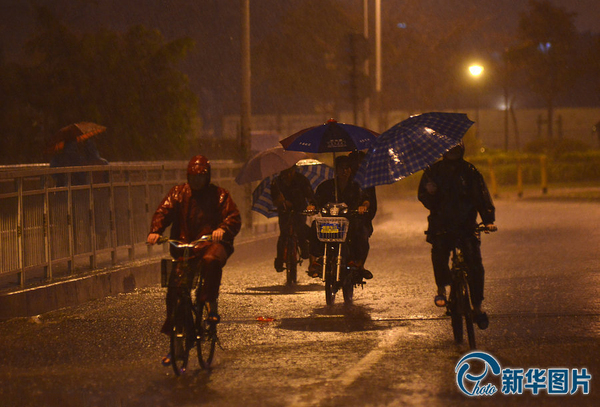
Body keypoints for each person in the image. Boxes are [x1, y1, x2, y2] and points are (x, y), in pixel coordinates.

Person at [146, 155, 241, 363]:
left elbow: (233, 217)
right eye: (193, 177)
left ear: (207, 177)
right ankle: (177, 342)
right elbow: (163, 212)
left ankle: (209, 302)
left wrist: (222, 229)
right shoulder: (178, 194)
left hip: (210, 244)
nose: (196, 181)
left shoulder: (220, 195)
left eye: (200, 177)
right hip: (185, 247)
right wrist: (155, 231)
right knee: (175, 291)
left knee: (211, 261)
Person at [417, 142, 496, 329]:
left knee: (475, 263)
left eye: (455, 150)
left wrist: (488, 219)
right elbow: (424, 197)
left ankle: (477, 306)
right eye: (449, 149)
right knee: (439, 254)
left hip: (466, 225)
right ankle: (441, 289)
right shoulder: (432, 172)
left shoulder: (470, 171)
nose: (452, 153)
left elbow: (481, 196)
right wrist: (430, 193)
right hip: (441, 225)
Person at [307, 155, 373, 280]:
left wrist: (363, 207)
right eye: (341, 168)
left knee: (362, 232)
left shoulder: (356, 186)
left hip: (350, 223)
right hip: (330, 224)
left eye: (347, 168)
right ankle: (316, 261)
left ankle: (358, 264)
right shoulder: (325, 186)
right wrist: (312, 206)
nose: (345, 171)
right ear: (336, 170)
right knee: (315, 226)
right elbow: (316, 200)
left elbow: (365, 200)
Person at [270, 164, 316, 272]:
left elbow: (310, 195)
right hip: (284, 211)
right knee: (284, 234)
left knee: (301, 230)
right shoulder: (276, 183)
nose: (289, 174)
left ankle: (305, 250)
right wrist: (281, 201)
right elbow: (275, 200)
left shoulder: (302, 180)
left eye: (291, 171)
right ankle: (279, 260)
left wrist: (311, 205)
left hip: (299, 210)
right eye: (286, 171)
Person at [348, 150, 377, 270]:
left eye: (361, 162)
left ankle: (360, 264)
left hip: (360, 220)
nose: (358, 166)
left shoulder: (366, 181)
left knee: (362, 237)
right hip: (342, 220)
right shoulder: (340, 181)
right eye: (355, 162)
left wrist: (364, 209)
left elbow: (369, 200)